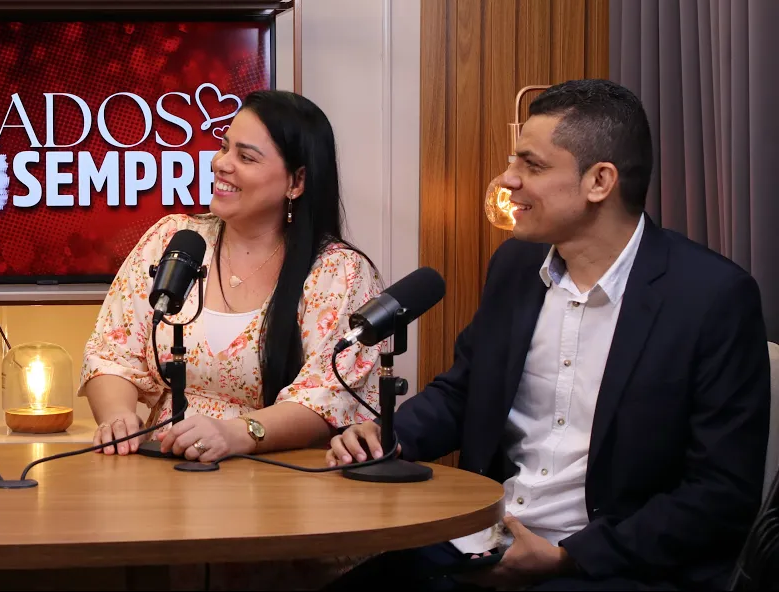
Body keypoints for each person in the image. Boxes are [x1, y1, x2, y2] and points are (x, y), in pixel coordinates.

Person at [327, 79, 770, 591]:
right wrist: (390, 436)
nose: (507, 180)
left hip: (615, 567)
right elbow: (465, 391)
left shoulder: (713, 297)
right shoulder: (515, 266)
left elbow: (720, 494)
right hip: (488, 539)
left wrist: (566, 558)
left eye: (532, 165)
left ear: (599, 181)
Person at [78, 90, 383, 589]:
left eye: (246, 156)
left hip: (285, 507)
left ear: (297, 181)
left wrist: (236, 434)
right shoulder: (171, 240)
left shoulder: (339, 272)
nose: (221, 164)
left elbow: (327, 399)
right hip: (166, 493)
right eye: (224, 147)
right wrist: (117, 417)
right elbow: (112, 352)